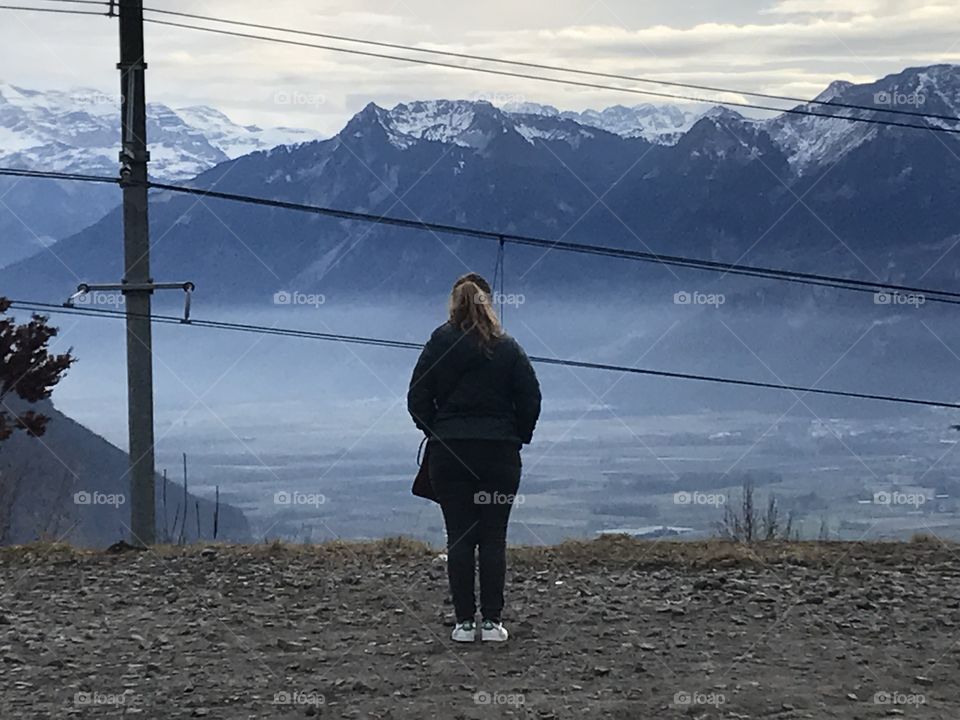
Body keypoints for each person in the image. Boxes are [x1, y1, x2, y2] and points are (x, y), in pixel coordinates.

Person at [407, 273, 542, 643]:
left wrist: (435, 431)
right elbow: (531, 397)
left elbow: (416, 396)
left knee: (460, 536)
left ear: (453, 304)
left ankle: (464, 623)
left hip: (450, 454)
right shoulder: (508, 347)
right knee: (494, 536)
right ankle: (494, 623)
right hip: (499, 454)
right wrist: (518, 436)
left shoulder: (438, 343)